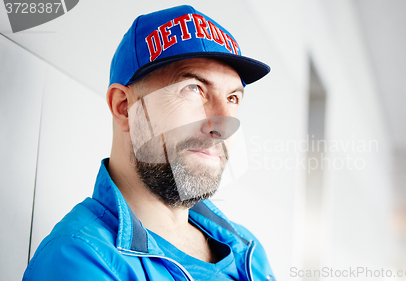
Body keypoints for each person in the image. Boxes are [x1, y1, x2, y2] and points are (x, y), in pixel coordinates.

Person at [23, 5, 275, 281]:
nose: (223, 125)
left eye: (232, 98)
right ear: (123, 107)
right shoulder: (79, 258)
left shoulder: (247, 251)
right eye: (193, 89)